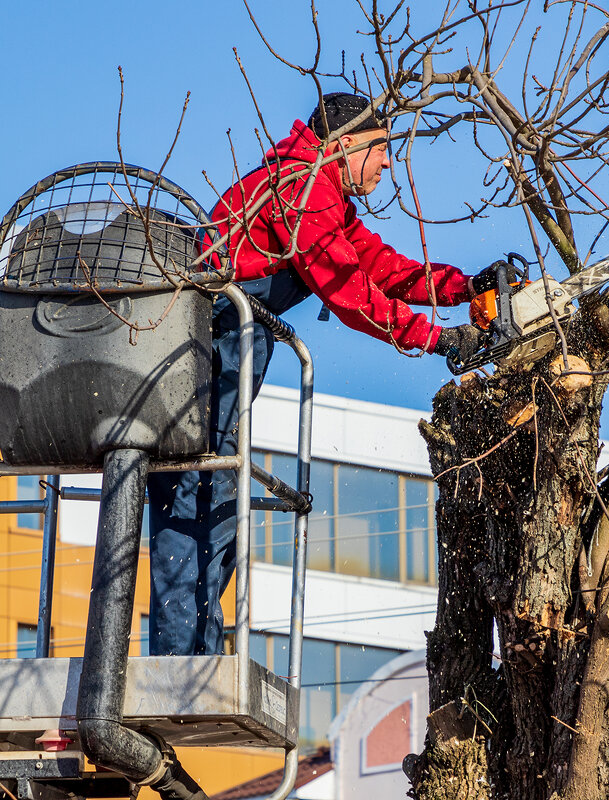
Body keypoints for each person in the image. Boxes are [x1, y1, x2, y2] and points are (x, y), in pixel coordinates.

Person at [146, 92, 493, 655]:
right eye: (381, 150)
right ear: (346, 143)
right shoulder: (301, 191)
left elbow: (382, 270)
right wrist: (437, 338)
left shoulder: (319, 194)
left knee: (216, 495)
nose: (387, 165)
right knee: (202, 492)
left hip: (228, 347)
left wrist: (465, 286)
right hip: (208, 351)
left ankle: (191, 653)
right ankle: (182, 660)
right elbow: (350, 292)